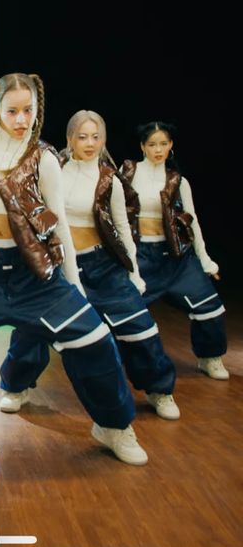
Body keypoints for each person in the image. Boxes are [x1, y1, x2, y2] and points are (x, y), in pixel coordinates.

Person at [0, 74, 148, 467]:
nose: (21, 119)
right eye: (13, 111)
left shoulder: (46, 157)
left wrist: (74, 284)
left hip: (34, 276)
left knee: (95, 341)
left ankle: (114, 426)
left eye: (29, 111)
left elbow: (61, 226)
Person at [57, 110, 179, 418]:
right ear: (70, 138)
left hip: (102, 265)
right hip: (61, 266)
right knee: (33, 330)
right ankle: (15, 386)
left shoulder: (108, 178)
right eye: (83, 136)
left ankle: (159, 390)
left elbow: (123, 228)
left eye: (96, 137)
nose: (90, 143)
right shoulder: (53, 171)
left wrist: (133, 272)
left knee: (140, 327)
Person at [121, 122, 228, 380]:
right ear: (142, 147)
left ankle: (209, 357)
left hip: (176, 258)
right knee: (124, 312)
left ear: (171, 146)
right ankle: (121, 364)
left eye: (163, 144)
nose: (158, 149)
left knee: (210, 307)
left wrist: (205, 260)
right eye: (152, 144)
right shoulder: (127, 174)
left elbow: (192, 223)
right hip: (141, 257)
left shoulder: (179, 181)